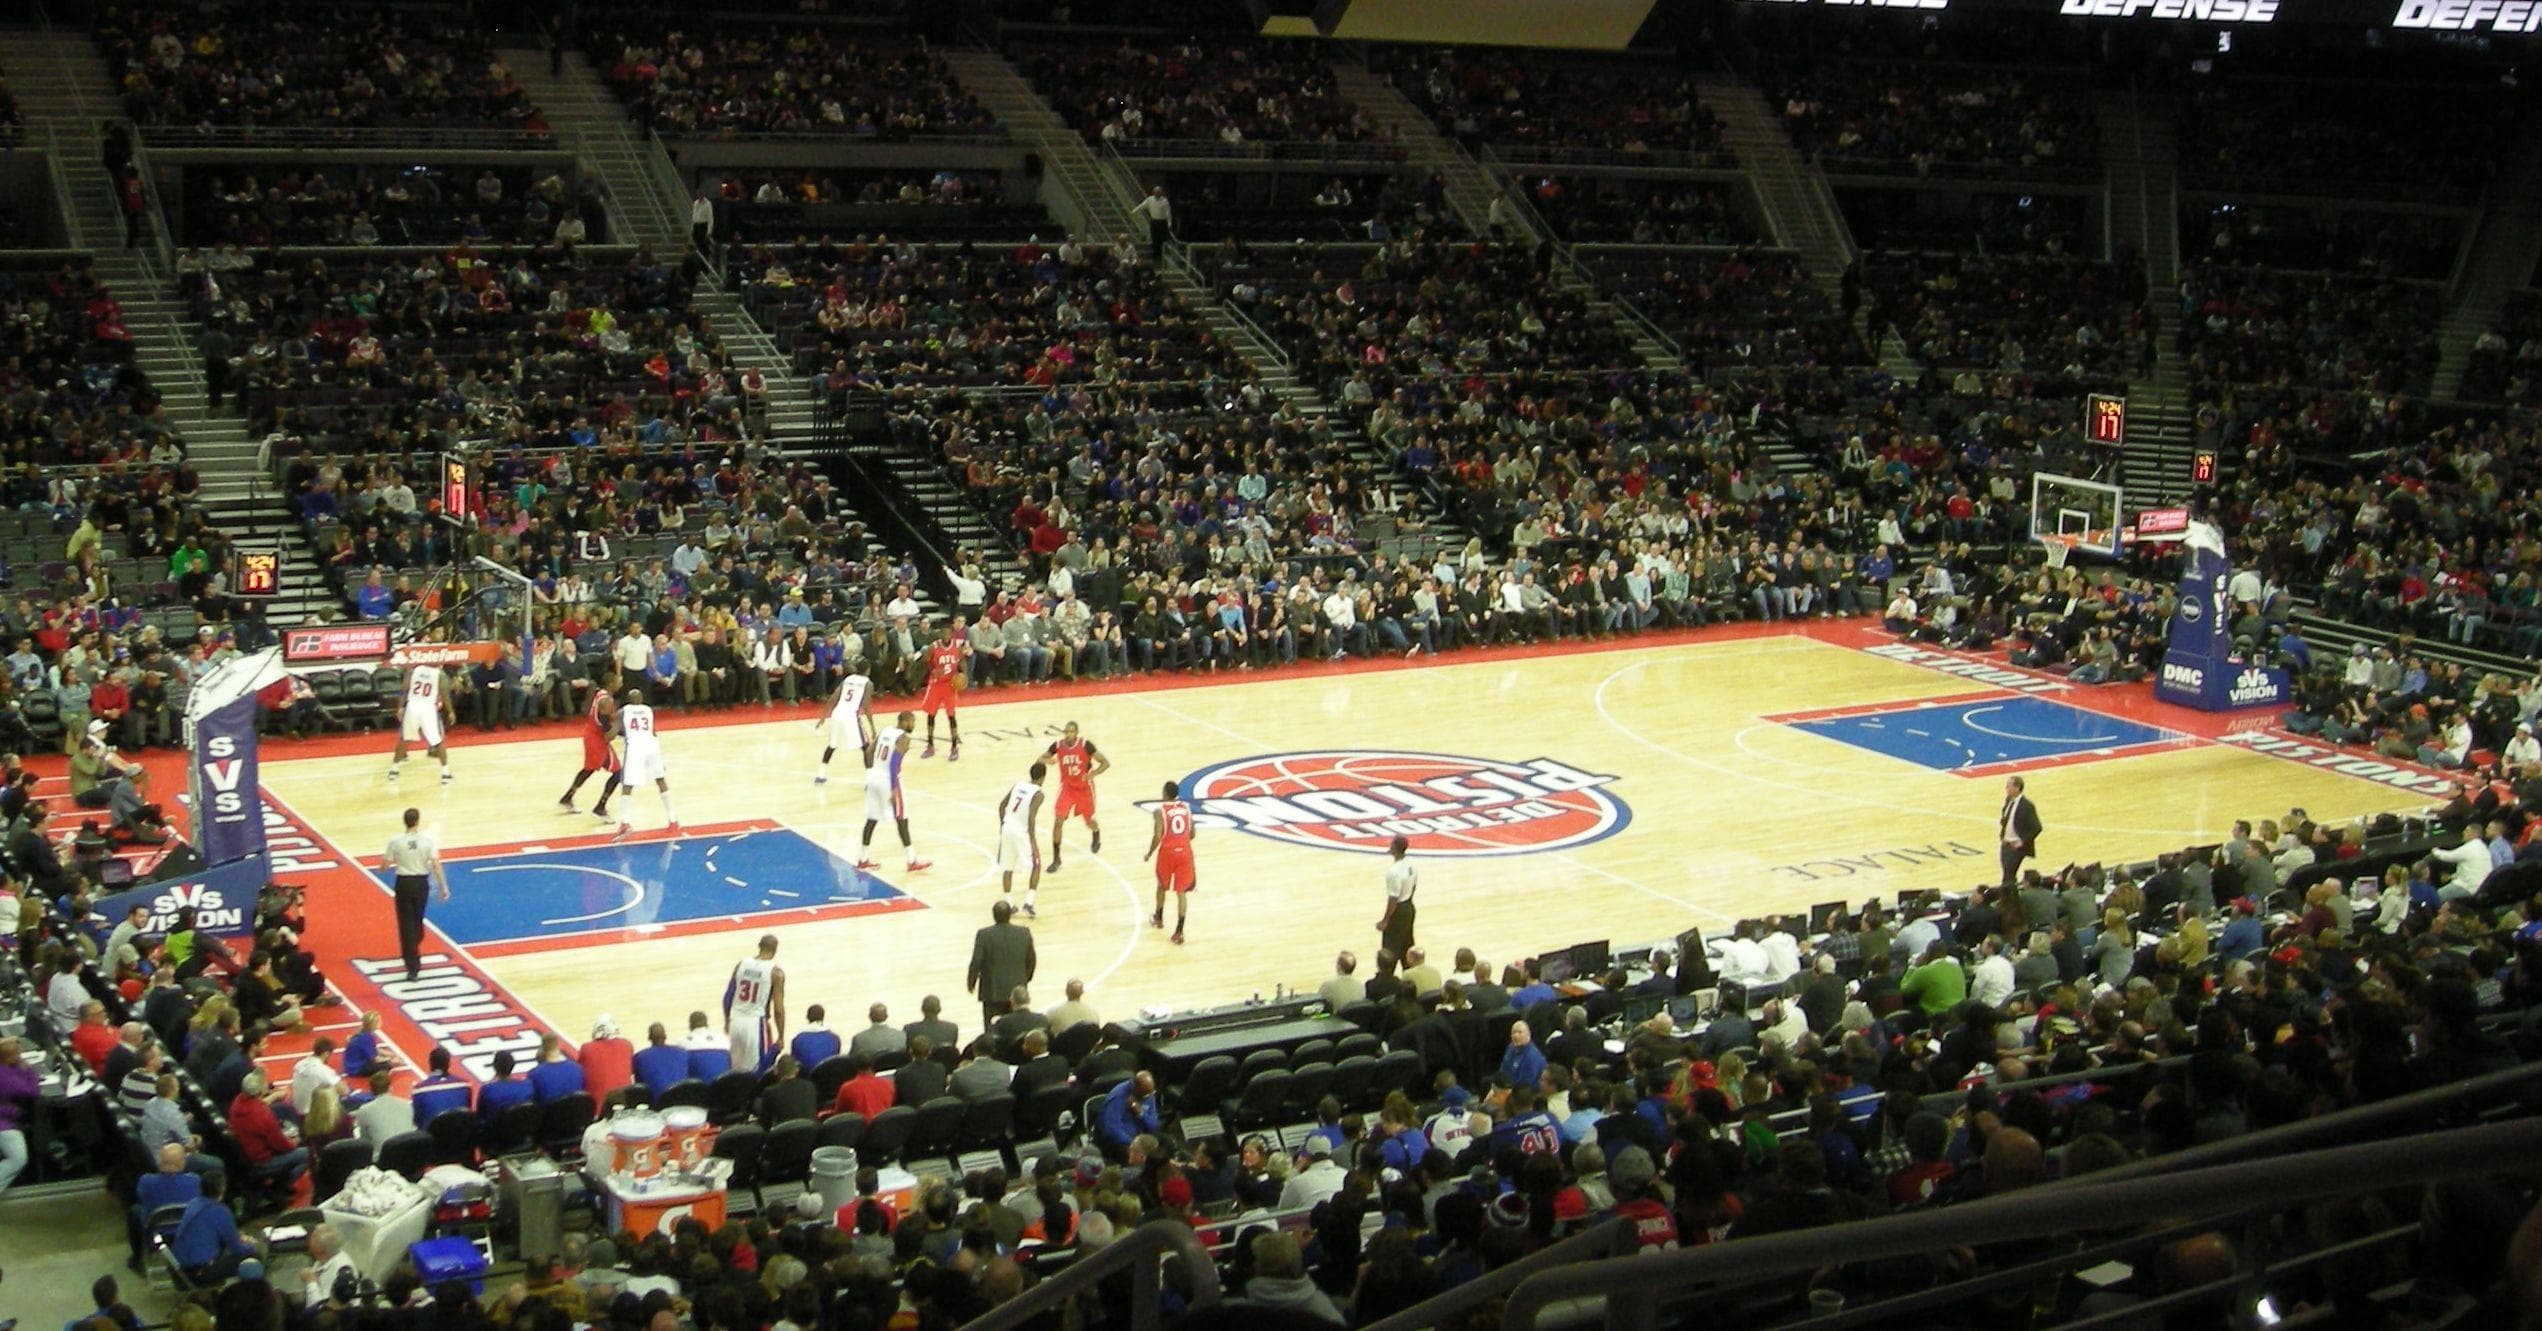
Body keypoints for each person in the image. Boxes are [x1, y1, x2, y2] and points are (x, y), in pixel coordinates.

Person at [383, 807, 450, 983]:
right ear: (418, 821)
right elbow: (436, 864)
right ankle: (413, 962)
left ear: (405, 821)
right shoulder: (428, 841)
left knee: (407, 924)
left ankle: (411, 958)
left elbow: (386, 863)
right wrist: (443, 886)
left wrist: (383, 866)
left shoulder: (395, 841)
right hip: (421, 884)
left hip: (404, 883)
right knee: (417, 920)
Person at [857, 710, 928, 873]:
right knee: (902, 818)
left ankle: (863, 858)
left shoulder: (884, 731)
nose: (913, 725)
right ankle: (911, 860)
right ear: (904, 722)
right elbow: (893, 764)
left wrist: (870, 774)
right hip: (888, 779)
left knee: (871, 819)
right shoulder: (903, 738)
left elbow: (868, 752)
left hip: (874, 776)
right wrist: (894, 788)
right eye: (912, 721)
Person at [609, 687, 677, 839]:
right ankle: (673, 819)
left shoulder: (623, 712)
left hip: (635, 748)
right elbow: (652, 731)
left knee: (627, 784)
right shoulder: (648, 710)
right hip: (652, 745)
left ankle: (625, 822)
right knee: (661, 780)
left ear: (628, 700)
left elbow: (613, 734)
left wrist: (604, 734)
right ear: (641, 700)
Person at [1042, 722, 1110, 871]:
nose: (1068, 735)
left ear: (1076, 733)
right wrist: (1049, 761)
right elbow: (1041, 758)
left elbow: (1105, 763)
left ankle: (1096, 832)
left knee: (1089, 821)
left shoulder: (1086, 745)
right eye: (1066, 732)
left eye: (1071, 732)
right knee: (1058, 821)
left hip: (1084, 789)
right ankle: (1056, 859)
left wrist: (1092, 774)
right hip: (1067, 788)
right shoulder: (1058, 745)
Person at [967, 899, 1037, 1031]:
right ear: (1010, 914)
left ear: (993, 916)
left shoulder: (984, 934)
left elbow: (976, 961)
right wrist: (1025, 979)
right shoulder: (1024, 932)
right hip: (1017, 989)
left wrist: (971, 982)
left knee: (991, 1029)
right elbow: (1032, 960)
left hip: (992, 990)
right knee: (1017, 1029)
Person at [1146, 778, 1197, 944]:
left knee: (1161, 886)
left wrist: (1149, 853)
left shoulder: (1159, 811)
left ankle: (1158, 918)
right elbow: (1192, 834)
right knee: (1181, 893)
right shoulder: (1187, 809)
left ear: (1164, 794)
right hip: (1185, 852)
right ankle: (1179, 932)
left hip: (1167, 853)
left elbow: (1157, 836)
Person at [557, 687, 622, 818]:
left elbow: (590, 709)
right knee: (618, 773)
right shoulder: (606, 703)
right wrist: (618, 723)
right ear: (612, 683)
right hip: (597, 741)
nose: (620, 682)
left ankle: (567, 797)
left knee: (589, 769)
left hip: (591, 735)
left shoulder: (601, 692)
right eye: (618, 680)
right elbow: (608, 735)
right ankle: (600, 807)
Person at [726, 934, 787, 1073]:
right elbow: (778, 1009)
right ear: (775, 949)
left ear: (759, 946)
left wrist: (726, 1020)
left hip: (736, 1020)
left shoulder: (741, 964)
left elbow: (728, 996)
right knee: (758, 1070)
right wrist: (781, 1035)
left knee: (737, 1069)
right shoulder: (776, 973)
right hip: (755, 1023)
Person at [387, 660, 452, 785]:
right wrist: (450, 711)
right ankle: (445, 773)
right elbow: (444, 695)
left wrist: (400, 707)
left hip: (413, 707)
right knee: (437, 740)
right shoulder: (439, 674)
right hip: (427, 708)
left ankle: (393, 770)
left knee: (404, 739)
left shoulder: (413, 670)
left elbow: (403, 690)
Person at [998, 761, 1047, 916]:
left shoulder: (1018, 785)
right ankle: (1029, 903)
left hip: (1007, 828)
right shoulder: (1039, 794)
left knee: (1008, 867)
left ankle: (1009, 903)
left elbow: (1002, 806)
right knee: (1036, 865)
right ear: (1043, 777)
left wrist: (1003, 825)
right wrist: (1033, 840)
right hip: (1021, 832)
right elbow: (1031, 818)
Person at [814, 668, 875, 783]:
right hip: (851, 716)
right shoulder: (868, 683)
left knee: (832, 745)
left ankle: (820, 775)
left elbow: (832, 699)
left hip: (837, 714)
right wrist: (872, 726)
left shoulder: (848, 679)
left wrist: (823, 717)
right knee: (866, 747)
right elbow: (866, 706)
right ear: (867, 670)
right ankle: (870, 781)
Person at [919, 619, 966, 760]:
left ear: (952, 633)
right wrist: (933, 670)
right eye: (943, 633)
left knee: (951, 716)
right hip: (936, 685)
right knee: (931, 715)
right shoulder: (933, 647)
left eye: (948, 633)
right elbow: (924, 661)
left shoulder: (957, 647)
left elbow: (962, 661)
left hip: (950, 685)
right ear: (940, 634)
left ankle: (954, 747)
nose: (946, 635)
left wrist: (964, 674)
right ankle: (930, 745)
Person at [0, 1036, 37, 1196]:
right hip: (4, 1123)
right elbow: (32, 1091)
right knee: (18, 1158)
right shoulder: (4, 1076)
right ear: (9, 1056)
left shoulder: (7, 1069)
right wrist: (29, 1071)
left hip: (8, 1117)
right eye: (17, 1054)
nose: (20, 1056)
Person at [1378, 834, 1418, 957]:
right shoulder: (1411, 864)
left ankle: (1387, 975)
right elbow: (1414, 886)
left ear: (1394, 848)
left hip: (1398, 911)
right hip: (1409, 907)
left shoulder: (1394, 872)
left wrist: (1385, 920)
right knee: (1407, 947)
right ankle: (1410, 974)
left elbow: (1393, 899)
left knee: (1390, 950)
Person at [1999, 776, 2042, 888]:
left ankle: (2008, 899)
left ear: (2017, 788)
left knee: (2008, 875)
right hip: (2006, 844)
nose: (2006, 788)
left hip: (2016, 847)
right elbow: (2006, 818)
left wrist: (2022, 841)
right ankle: (2010, 896)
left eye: (2009, 785)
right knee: (2008, 874)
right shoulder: (2008, 800)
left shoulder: (2027, 806)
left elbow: (2037, 827)